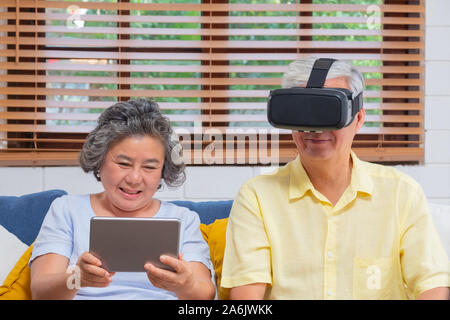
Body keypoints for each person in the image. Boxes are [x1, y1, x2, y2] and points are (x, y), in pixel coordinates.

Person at [220, 57, 450, 300]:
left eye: (327, 111)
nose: (315, 129)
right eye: (303, 113)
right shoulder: (256, 196)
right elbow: (247, 298)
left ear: (358, 118)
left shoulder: (401, 192)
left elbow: (431, 285)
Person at [29, 99, 215, 300]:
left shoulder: (183, 220)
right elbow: (40, 293)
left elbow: (204, 295)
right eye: (123, 163)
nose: (134, 179)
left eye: (150, 167)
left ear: (163, 171)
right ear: (100, 160)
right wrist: (78, 277)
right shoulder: (67, 209)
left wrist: (186, 285)